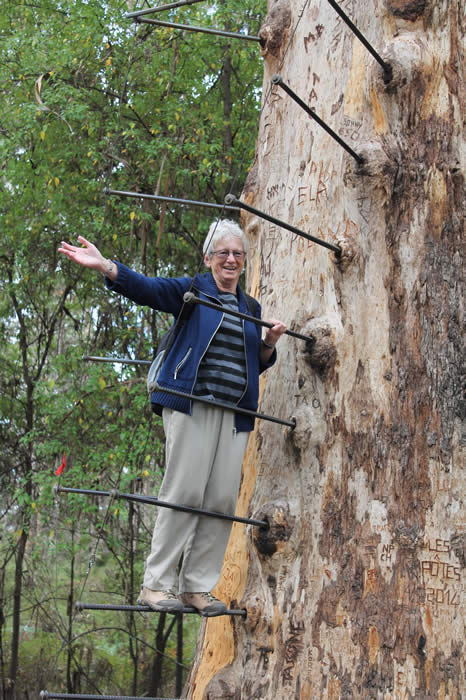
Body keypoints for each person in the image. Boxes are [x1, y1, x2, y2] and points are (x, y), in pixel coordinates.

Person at [59, 219, 286, 616]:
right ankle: (156, 584)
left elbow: (254, 364)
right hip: (191, 403)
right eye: (222, 253)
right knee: (183, 493)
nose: (230, 260)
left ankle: (197, 587)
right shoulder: (192, 292)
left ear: (245, 261)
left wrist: (267, 346)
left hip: (234, 415)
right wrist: (106, 266)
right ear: (208, 258)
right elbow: (146, 288)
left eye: (237, 254)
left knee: (218, 500)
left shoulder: (251, 309)